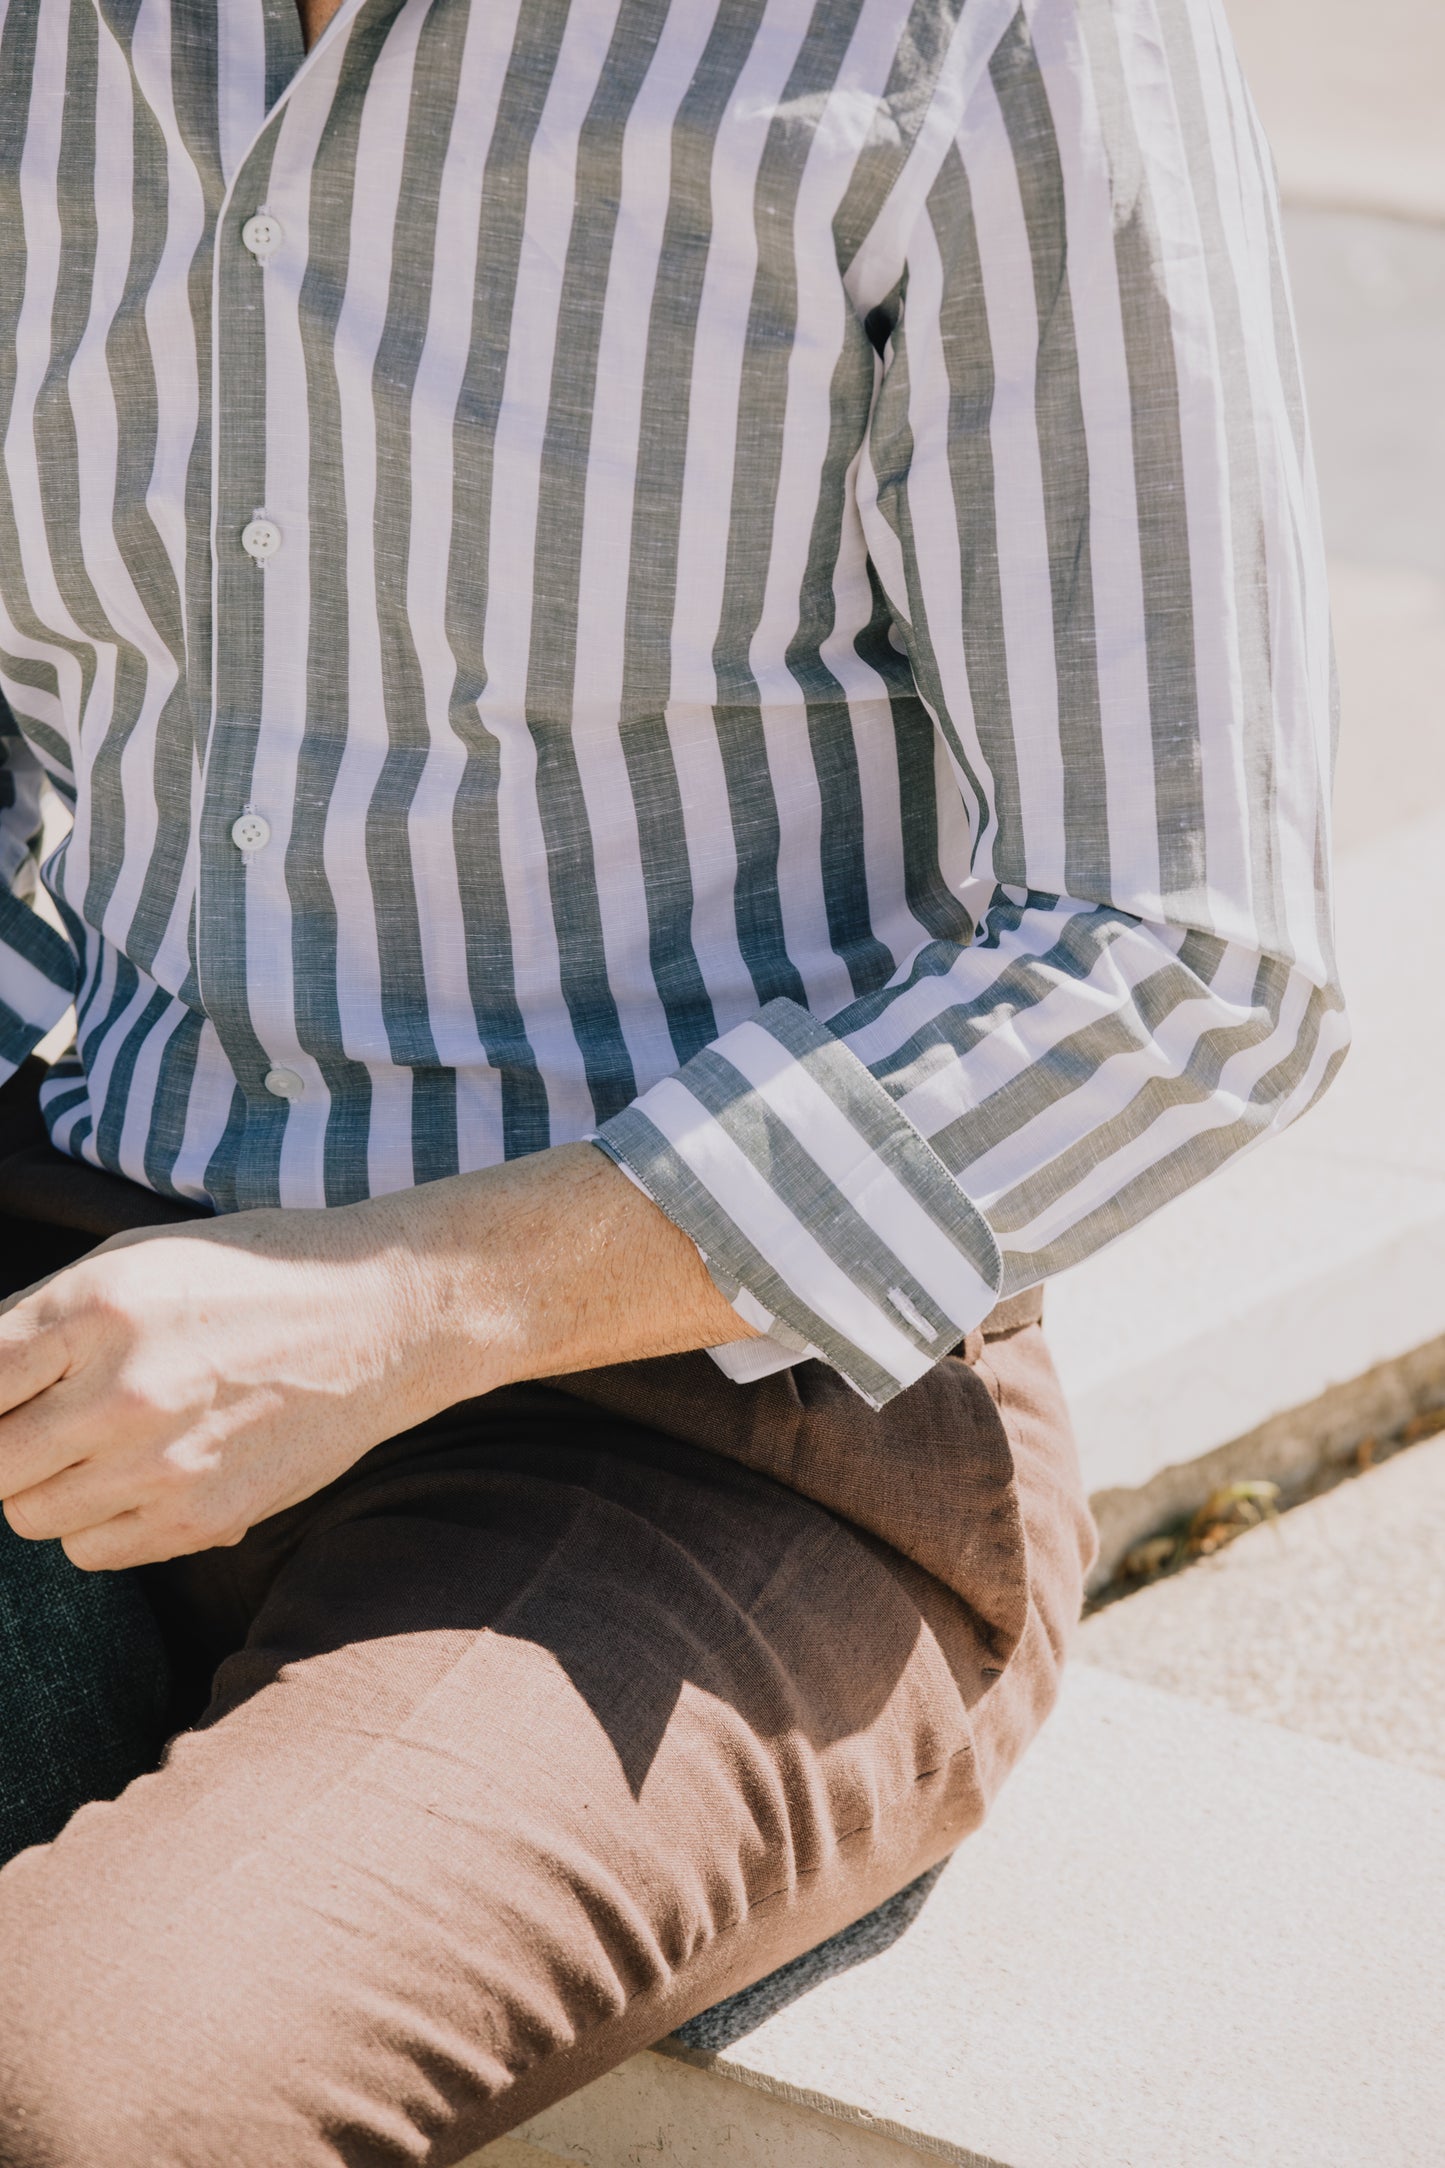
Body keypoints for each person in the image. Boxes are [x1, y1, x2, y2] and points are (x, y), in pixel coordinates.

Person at [0, 0, 1342, 2158]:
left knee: (74, 2104)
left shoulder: (982, 34)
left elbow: (1196, 959)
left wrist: (401, 1304)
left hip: (726, 1429)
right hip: (85, 1281)